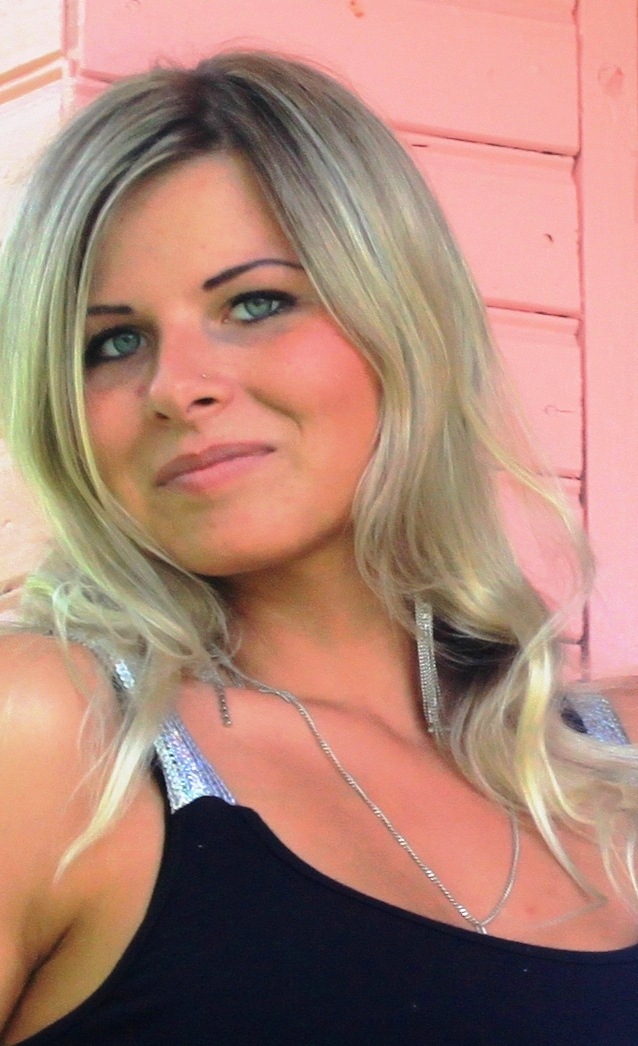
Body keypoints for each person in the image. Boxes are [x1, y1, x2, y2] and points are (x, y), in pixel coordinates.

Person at [0, 50, 636, 1046]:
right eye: (112, 343)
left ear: (403, 318)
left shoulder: (605, 762)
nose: (176, 386)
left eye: (254, 303)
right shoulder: (52, 734)